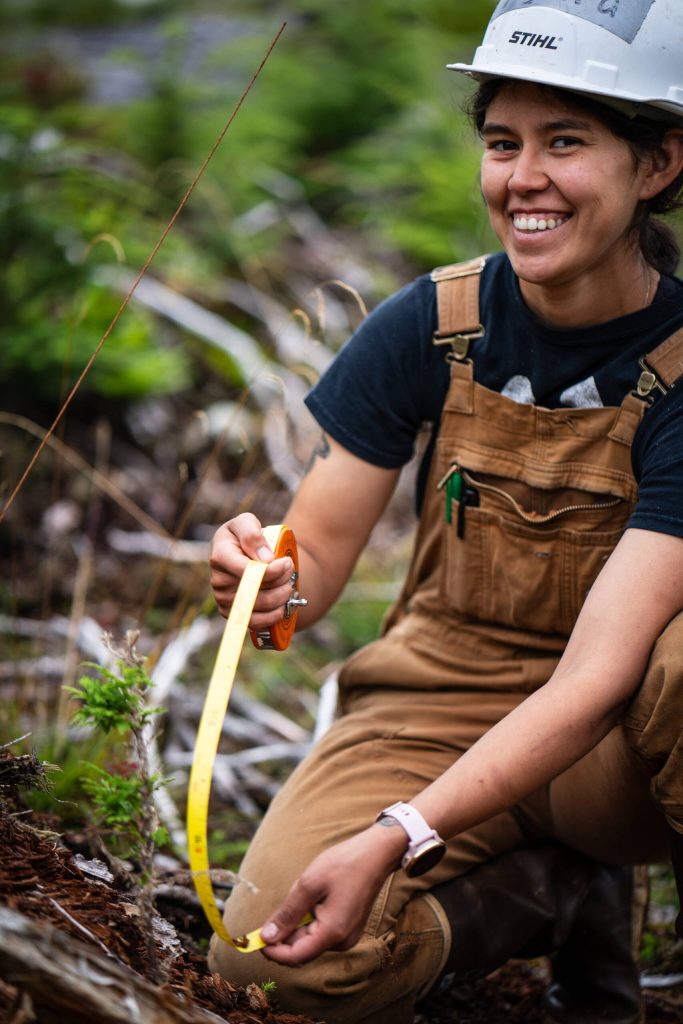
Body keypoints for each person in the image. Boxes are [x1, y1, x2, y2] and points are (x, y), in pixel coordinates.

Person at [207, 2, 683, 1021]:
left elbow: (600, 679)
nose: (523, 178)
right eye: (502, 142)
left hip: (607, 744)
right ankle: (544, 895)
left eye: (565, 141)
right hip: (432, 700)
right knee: (268, 967)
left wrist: (394, 834)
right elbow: (315, 562)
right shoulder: (429, 323)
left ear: (656, 164)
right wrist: (270, 576)